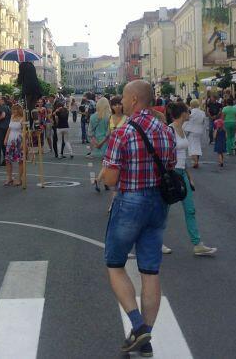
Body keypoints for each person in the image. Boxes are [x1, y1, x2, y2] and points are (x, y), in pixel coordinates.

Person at [99, 81, 175, 355]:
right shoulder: (166, 131)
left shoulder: (124, 132)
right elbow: (171, 165)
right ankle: (147, 338)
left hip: (130, 201)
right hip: (158, 204)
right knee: (150, 270)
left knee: (115, 263)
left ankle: (138, 325)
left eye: (124, 97)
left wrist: (103, 174)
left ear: (133, 99)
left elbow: (111, 178)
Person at [168, 102, 217, 256]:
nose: (190, 114)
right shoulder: (169, 130)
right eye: (188, 112)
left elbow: (183, 155)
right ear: (183, 114)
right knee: (163, 210)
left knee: (190, 209)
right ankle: (156, 241)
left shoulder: (182, 129)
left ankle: (197, 244)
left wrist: (189, 176)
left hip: (182, 172)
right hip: (172, 173)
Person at [89, 97, 111, 191]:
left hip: (97, 141)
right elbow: (108, 132)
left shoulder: (93, 117)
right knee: (106, 164)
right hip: (107, 143)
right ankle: (99, 180)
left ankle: (105, 182)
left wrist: (95, 143)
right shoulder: (109, 116)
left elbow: (90, 132)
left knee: (104, 164)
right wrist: (102, 143)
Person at [4, 104, 26, 186]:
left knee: (20, 160)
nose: (13, 111)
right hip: (10, 140)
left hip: (18, 140)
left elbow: (24, 132)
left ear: (19, 110)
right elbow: (9, 129)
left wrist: (23, 143)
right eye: (13, 109)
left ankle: (19, 179)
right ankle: (9, 178)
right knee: (8, 160)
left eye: (15, 110)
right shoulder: (12, 117)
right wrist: (5, 139)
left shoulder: (23, 119)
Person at [185, 99, 207, 169]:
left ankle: (195, 161)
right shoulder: (202, 112)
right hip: (199, 131)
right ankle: (196, 160)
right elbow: (204, 122)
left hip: (192, 131)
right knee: (197, 145)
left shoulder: (191, 112)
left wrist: (184, 129)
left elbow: (188, 120)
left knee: (192, 146)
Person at [0, 97, 10, 166]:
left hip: (2, 127)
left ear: (3, 101)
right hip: (7, 127)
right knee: (4, 145)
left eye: (0, 100)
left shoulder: (2, 107)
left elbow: (3, 115)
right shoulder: (8, 107)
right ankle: (5, 160)